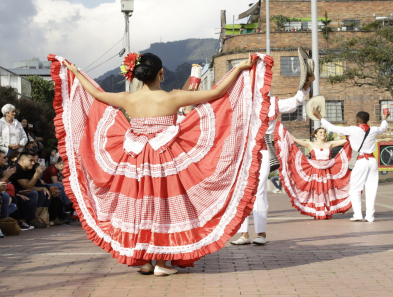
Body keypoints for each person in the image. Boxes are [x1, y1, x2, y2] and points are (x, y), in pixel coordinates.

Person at [52, 51, 270, 276]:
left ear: (136, 74)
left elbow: (94, 93)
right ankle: (163, 264)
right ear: (161, 73)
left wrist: (76, 73)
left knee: (140, 207)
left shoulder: (128, 99)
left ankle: (145, 261)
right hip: (166, 159)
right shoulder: (173, 97)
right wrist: (240, 68)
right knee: (165, 208)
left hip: (134, 161)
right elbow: (217, 92)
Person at [231, 73, 315, 245]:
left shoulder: (273, 103)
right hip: (245, 152)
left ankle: (261, 234)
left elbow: (295, 102)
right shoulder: (243, 103)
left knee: (259, 190)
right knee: (242, 191)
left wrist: (306, 84)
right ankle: (243, 234)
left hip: (262, 151)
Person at [315, 109, 388, 222]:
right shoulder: (374, 130)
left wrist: (320, 117)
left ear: (356, 120)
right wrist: (384, 118)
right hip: (372, 161)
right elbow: (383, 128)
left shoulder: (353, 130)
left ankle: (358, 214)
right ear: (368, 120)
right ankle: (370, 216)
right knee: (371, 189)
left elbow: (332, 128)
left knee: (355, 189)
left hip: (360, 161)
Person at [273, 126, 351, 219]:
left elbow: (347, 141)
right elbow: (294, 140)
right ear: (315, 135)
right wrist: (283, 130)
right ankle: (318, 211)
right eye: (320, 132)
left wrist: (348, 131)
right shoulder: (311, 144)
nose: (323, 134)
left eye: (324, 132)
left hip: (327, 171)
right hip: (315, 171)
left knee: (327, 191)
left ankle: (326, 210)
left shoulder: (330, 144)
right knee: (317, 191)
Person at [8, 151, 50, 228]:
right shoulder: (17, 169)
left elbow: (29, 186)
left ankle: (37, 217)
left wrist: (42, 188)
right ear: (22, 160)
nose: (33, 163)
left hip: (20, 191)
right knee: (34, 194)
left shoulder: (26, 169)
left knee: (43, 192)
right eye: (31, 160)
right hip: (14, 193)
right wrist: (37, 174)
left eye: (34, 161)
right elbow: (27, 187)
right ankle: (31, 219)